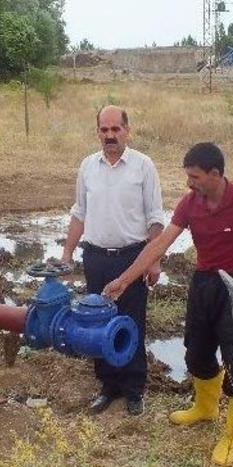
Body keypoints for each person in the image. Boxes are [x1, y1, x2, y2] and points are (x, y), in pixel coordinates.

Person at [104, 142, 233, 467]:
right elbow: (160, 244)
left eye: (194, 176)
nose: (189, 183)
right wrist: (124, 279)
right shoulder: (190, 203)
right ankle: (205, 408)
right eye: (188, 176)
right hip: (203, 285)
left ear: (215, 174)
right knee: (196, 354)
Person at [60, 105, 165, 416]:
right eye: (104, 130)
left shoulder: (143, 166)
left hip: (132, 258)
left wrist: (154, 260)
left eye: (115, 129)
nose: (109, 135)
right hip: (95, 257)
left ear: (127, 131)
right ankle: (107, 386)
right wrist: (67, 253)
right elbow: (79, 213)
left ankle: (133, 390)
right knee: (97, 322)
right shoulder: (87, 167)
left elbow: (155, 218)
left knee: (131, 323)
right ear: (98, 132)